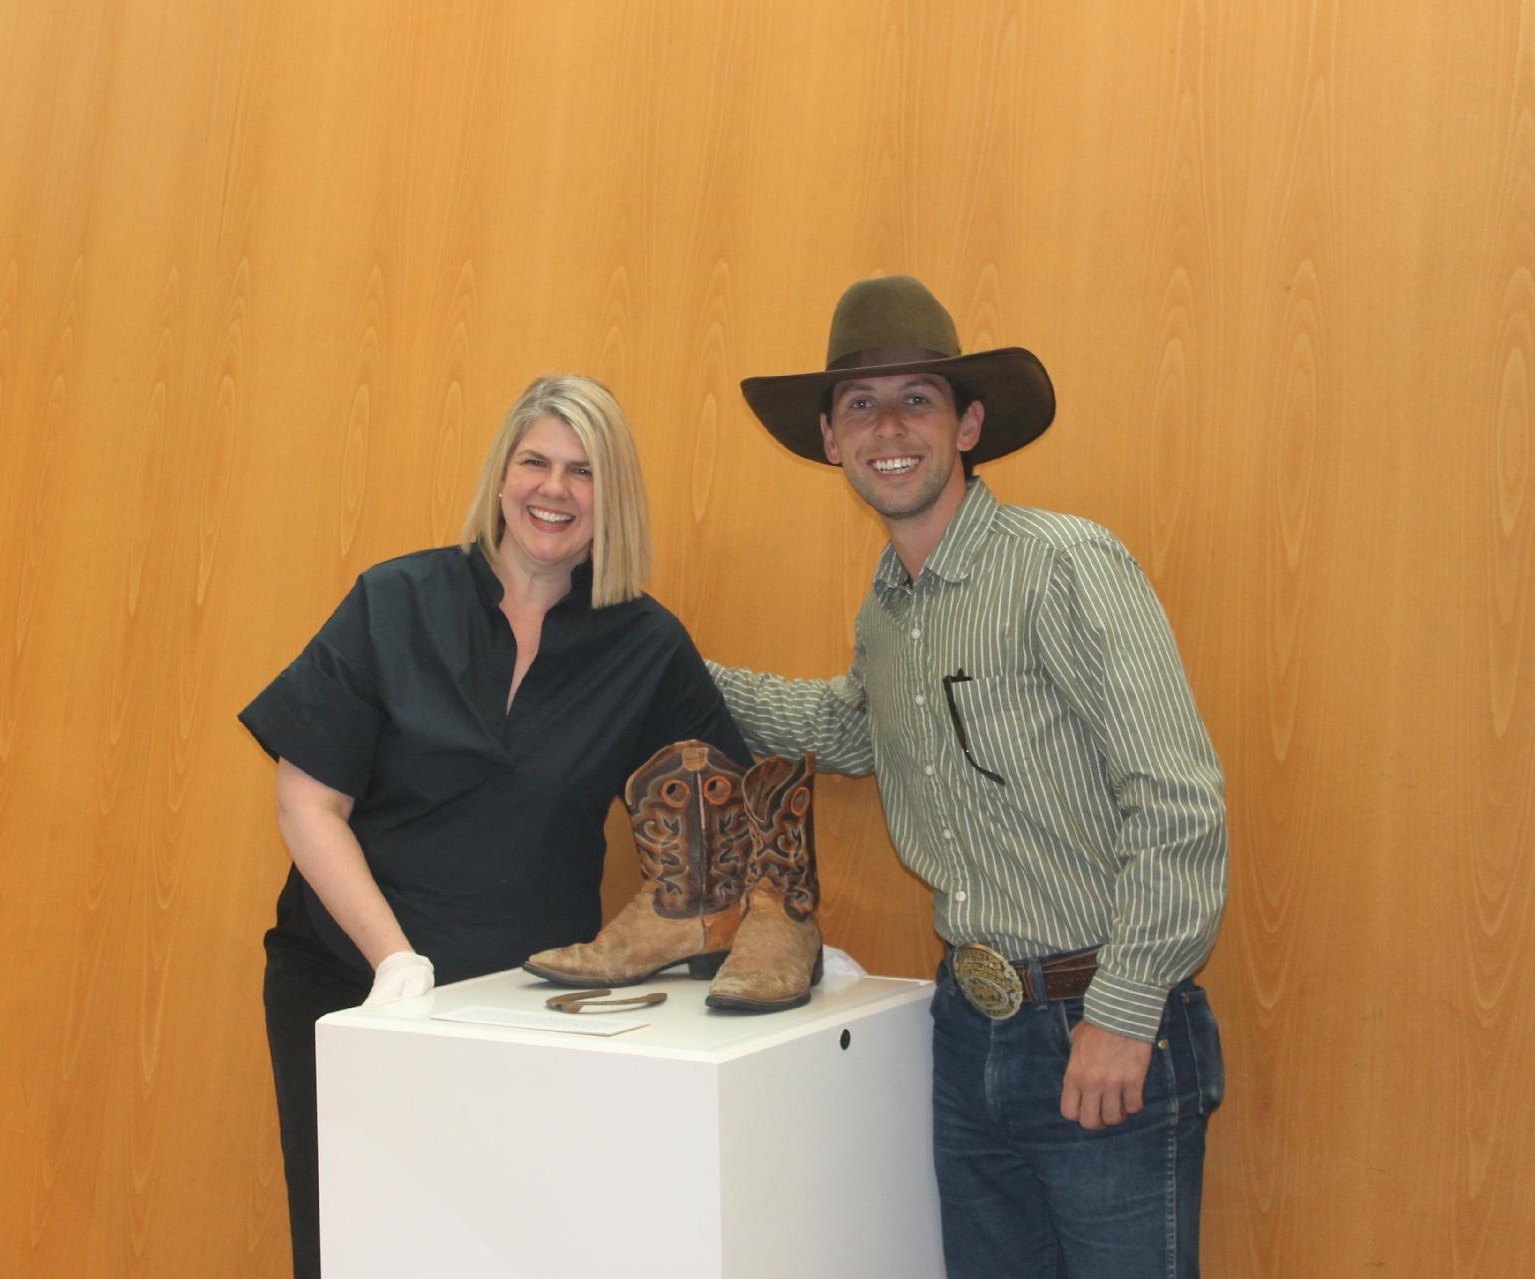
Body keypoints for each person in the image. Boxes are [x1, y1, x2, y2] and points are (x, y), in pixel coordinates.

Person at [708, 275, 1227, 1278]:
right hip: (969, 1031)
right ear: (829, 439)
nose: (888, 426)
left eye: (917, 399)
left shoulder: (1064, 566)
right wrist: (673, 669)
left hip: (1100, 1017)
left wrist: (1122, 1012)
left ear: (969, 423)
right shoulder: (888, 609)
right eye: (860, 404)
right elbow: (851, 729)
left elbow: (1177, 800)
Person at [238, 373, 750, 1279]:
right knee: (350, 1247)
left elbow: (720, 824)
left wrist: (781, 938)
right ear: (502, 476)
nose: (554, 489)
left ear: (612, 496)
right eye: (536, 462)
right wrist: (395, 962)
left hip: (524, 1010)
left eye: (583, 471)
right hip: (352, 985)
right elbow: (306, 800)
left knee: (496, 1249)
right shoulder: (394, 600)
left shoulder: (647, 646)